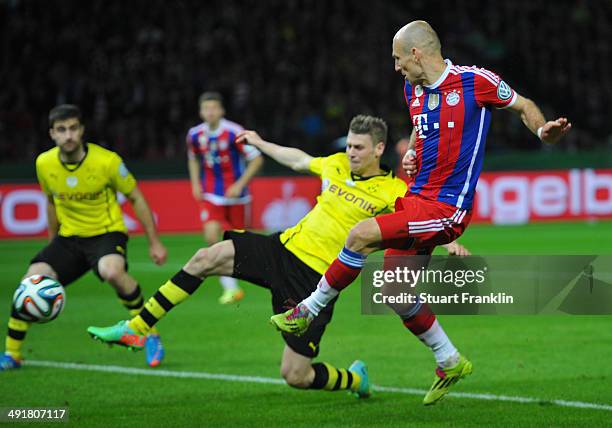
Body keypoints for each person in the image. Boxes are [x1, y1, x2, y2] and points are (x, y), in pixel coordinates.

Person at [270, 20, 572, 405]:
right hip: (415, 200)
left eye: (398, 59)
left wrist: (542, 130)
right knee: (396, 291)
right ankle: (449, 360)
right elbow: (419, 126)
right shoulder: (412, 88)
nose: (396, 68)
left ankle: (307, 310)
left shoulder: (474, 81)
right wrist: (412, 150)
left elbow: (523, 105)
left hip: (446, 207)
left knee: (360, 235)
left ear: (416, 53)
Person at [87, 114, 470, 398]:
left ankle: (355, 379)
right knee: (206, 257)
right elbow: (298, 159)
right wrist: (260, 142)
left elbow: (418, 222)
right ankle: (137, 327)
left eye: (358, 147)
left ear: (379, 149)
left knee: (295, 375)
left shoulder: (392, 193)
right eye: (349, 145)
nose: (350, 152)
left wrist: (449, 241)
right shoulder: (334, 165)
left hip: (314, 282)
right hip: (280, 247)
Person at [0, 104, 168, 371]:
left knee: (111, 271)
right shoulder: (44, 163)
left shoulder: (107, 161)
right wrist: (52, 241)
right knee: (30, 279)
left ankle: (151, 334)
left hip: (106, 233)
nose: (68, 135)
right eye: (61, 130)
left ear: (82, 130)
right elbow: (50, 202)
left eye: (73, 128)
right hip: (69, 239)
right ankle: (12, 353)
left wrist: (154, 241)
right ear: (52, 134)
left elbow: (136, 197)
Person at [187, 92, 263, 305]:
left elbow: (256, 159)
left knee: (238, 245)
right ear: (201, 112)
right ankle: (231, 288)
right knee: (212, 236)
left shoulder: (234, 132)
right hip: (212, 194)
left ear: (221, 111)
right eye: (206, 109)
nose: (210, 112)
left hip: (237, 197)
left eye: (214, 108)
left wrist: (239, 185)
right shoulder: (194, 135)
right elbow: (193, 158)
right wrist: (195, 183)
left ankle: (254, 277)